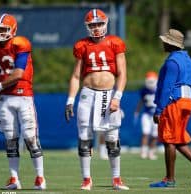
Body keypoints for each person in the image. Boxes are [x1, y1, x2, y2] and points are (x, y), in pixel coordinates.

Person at [65, 9, 129, 191]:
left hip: (108, 94)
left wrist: (117, 96)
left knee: (112, 137)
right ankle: (86, 179)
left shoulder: (115, 42)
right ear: (87, 27)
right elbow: (76, 76)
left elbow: (122, 73)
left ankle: (116, 179)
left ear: (106, 23)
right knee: (84, 137)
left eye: (99, 24)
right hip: (87, 94)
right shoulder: (81, 45)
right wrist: (70, 99)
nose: (96, 28)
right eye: (92, 25)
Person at [0, 13, 46, 190]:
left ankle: (40, 177)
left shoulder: (20, 43)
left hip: (23, 96)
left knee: (30, 138)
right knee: (10, 140)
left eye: (3, 29)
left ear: (12, 30)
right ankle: (14, 178)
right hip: (5, 99)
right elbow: (1, 74)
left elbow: (19, 73)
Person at [149, 29, 191, 188]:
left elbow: (168, 87)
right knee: (177, 137)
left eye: (165, 41)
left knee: (168, 139)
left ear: (171, 43)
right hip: (187, 101)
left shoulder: (172, 62)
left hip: (173, 102)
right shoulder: (188, 60)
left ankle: (169, 179)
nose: (163, 43)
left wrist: (159, 110)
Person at [134, 71, 158, 160]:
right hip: (147, 114)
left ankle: (151, 152)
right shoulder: (144, 90)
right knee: (145, 133)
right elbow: (141, 101)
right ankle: (143, 152)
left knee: (155, 135)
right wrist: (137, 111)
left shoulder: (159, 89)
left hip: (157, 114)